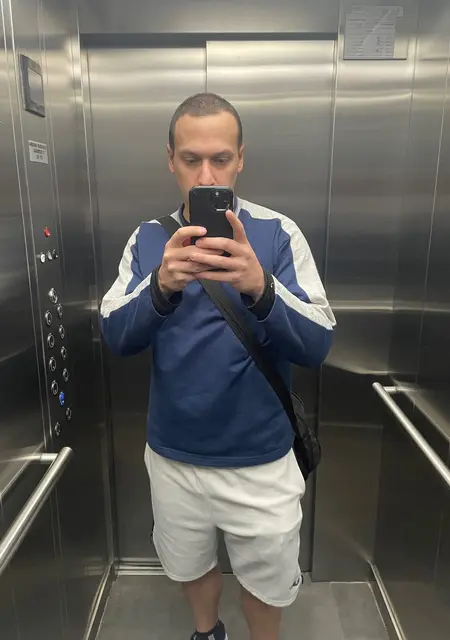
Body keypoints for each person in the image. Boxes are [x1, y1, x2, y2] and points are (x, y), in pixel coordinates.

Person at [100, 93, 336, 640]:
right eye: (191, 159)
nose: (206, 175)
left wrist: (260, 287)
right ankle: (207, 633)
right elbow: (114, 334)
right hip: (174, 456)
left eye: (221, 159)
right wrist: (160, 286)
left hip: (261, 459)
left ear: (241, 159)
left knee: (267, 585)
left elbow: (318, 342)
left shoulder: (277, 234)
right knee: (190, 566)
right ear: (170, 160)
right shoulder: (148, 239)